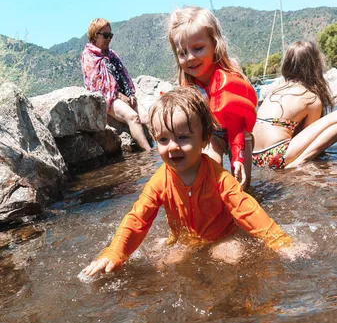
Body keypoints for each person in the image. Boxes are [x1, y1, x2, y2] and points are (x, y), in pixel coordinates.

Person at [81, 88, 294, 278]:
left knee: (231, 258)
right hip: (184, 239)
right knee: (162, 264)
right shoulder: (159, 181)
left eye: (183, 138)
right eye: (163, 140)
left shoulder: (218, 176)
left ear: (204, 139)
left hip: (222, 237)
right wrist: (115, 252)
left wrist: (279, 241)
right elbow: (138, 218)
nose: (172, 147)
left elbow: (246, 209)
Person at [167, 6, 257, 189]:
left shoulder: (228, 80)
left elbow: (238, 126)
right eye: (182, 53)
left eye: (198, 49)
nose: (190, 58)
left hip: (239, 133)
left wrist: (238, 156)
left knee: (243, 183)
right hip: (212, 134)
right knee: (208, 174)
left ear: (215, 45)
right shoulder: (189, 88)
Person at [252, 40, 336, 169]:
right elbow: (311, 139)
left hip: (254, 156)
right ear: (315, 65)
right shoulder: (310, 99)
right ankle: (297, 163)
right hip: (275, 155)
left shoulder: (276, 90)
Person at [81, 18, 151, 151]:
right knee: (133, 117)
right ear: (95, 35)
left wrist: (130, 94)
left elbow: (124, 76)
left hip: (123, 94)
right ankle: (149, 154)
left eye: (110, 35)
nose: (109, 39)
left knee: (147, 117)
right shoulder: (88, 56)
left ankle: (162, 150)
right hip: (108, 98)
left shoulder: (111, 54)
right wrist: (118, 95)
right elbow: (97, 86)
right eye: (106, 35)